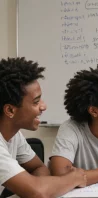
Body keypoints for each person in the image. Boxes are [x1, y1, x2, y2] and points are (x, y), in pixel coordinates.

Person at [0, 57, 86, 197]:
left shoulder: (14, 135)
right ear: (10, 110)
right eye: (36, 102)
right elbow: (38, 192)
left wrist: (39, 187)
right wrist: (74, 178)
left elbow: (38, 167)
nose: (43, 106)